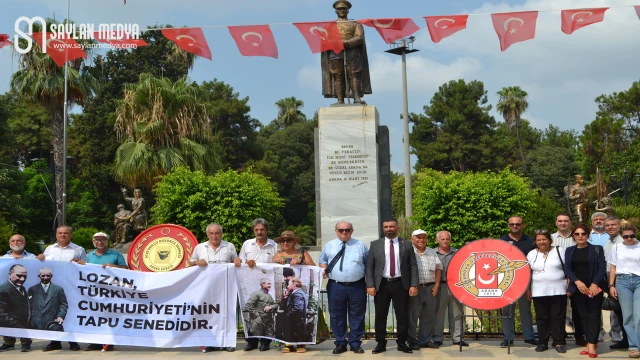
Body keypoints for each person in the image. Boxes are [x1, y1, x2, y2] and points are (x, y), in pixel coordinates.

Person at [365, 217, 418, 354]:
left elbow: (413, 265)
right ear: (383, 228)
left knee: (402, 316)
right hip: (381, 284)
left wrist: (414, 285)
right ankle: (381, 343)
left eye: (392, 226)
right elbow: (370, 266)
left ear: (397, 227)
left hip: (401, 284)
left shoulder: (406, 244)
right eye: (386, 227)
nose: (389, 229)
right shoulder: (375, 244)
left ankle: (401, 342)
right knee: (380, 316)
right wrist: (370, 285)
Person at [318, 221, 368, 354]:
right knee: (336, 315)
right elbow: (322, 260)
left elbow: (368, 265)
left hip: (357, 285)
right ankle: (340, 343)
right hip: (336, 285)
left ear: (352, 230)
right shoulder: (330, 246)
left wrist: (369, 284)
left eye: (347, 230)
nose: (344, 232)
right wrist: (323, 269)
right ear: (336, 231)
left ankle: (355, 343)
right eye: (341, 230)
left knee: (357, 315)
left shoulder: (360, 246)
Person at [36, 225, 85, 351]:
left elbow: (86, 268)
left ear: (71, 234)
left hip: (71, 288)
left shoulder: (79, 250)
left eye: (66, 233)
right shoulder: (49, 249)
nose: (63, 235)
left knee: (71, 313)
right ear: (56, 235)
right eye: (60, 233)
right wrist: (39, 258)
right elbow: (42, 264)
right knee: (53, 312)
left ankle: (73, 341)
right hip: (53, 288)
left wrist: (80, 263)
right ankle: (55, 341)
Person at [77, 232, 127, 351]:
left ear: (107, 241)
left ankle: (108, 342)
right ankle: (95, 342)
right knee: (94, 317)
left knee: (109, 317)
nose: (99, 242)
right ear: (93, 242)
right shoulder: (89, 256)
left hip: (110, 293)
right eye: (97, 240)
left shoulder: (116, 254)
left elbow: (126, 269)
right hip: (92, 293)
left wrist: (113, 266)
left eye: (102, 240)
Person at [234, 218, 277, 352]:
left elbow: (279, 261)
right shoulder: (247, 244)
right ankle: (251, 342)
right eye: (257, 230)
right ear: (253, 230)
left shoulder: (274, 245)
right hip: (250, 285)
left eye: (262, 229)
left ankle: (265, 342)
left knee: (266, 313)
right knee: (251, 314)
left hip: (267, 285)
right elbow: (240, 260)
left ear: (267, 230)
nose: (259, 232)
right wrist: (241, 260)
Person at [565, 223, 606, 358]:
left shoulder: (596, 249)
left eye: (583, 233)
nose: (580, 236)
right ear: (573, 236)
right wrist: (577, 282)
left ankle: (592, 345)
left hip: (594, 288)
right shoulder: (570, 250)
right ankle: (589, 342)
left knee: (593, 316)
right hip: (579, 289)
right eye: (577, 234)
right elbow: (567, 269)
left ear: (588, 235)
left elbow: (601, 268)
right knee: (583, 316)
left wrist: (594, 284)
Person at [320, 0, 372, 104]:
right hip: (335, 53)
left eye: (344, 8)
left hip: (352, 52)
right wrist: (338, 43)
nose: (342, 10)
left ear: (348, 10)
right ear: (335, 11)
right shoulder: (329, 27)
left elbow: (359, 37)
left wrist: (347, 42)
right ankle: (340, 100)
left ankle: (356, 98)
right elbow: (326, 39)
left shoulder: (355, 24)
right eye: (339, 9)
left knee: (354, 74)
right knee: (338, 76)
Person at [499, 216, 537, 347]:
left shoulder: (531, 241)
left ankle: (529, 336)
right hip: (506, 282)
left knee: (525, 310)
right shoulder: (501, 241)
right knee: (507, 311)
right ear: (508, 225)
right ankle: (508, 337)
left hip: (525, 282)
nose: (515, 226)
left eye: (517, 224)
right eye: (512, 224)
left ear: (523, 225)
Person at [527, 230, 567, 353]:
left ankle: (559, 342)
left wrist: (569, 285)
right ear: (535, 242)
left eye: (544, 239)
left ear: (550, 240)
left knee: (558, 317)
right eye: (539, 240)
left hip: (558, 290)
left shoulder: (560, 251)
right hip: (538, 291)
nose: (542, 242)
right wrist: (528, 289)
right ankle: (542, 342)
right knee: (542, 318)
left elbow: (568, 268)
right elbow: (527, 273)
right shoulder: (531, 254)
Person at [609, 220, 640, 358]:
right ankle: (633, 346)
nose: (629, 239)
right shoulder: (616, 247)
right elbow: (613, 267)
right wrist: (611, 285)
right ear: (621, 235)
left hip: (639, 280)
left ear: (635, 234)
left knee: (638, 316)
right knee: (627, 316)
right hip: (622, 281)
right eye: (626, 236)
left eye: (631, 236)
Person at [407, 229, 442, 350]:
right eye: (418, 237)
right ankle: (411, 340)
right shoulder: (408, 252)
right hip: (415, 288)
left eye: (424, 237)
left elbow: (438, 268)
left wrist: (437, 284)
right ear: (412, 239)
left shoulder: (432, 252)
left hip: (430, 288)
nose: (421, 240)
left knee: (428, 316)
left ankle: (424, 340)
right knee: (412, 316)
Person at [0, 235, 36, 352]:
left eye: (19, 240)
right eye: (13, 240)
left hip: (23, 295)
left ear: (24, 243)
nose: (16, 242)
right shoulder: (4, 258)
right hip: (7, 294)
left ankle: (26, 342)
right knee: (6, 313)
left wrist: (42, 258)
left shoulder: (32, 257)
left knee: (25, 312)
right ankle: (8, 342)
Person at [551, 212, 583, 344]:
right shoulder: (551, 238)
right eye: (560, 221)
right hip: (557, 277)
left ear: (570, 222)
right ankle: (559, 336)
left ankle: (580, 336)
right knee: (558, 309)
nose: (563, 223)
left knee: (577, 308)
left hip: (575, 277)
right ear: (556, 222)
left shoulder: (577, 236)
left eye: (565, 221)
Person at [433, 230, 467, 347]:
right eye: (442, 239)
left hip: (455, 287)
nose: (445, 241)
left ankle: (458, 338)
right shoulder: (432, 253)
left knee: (457, 312)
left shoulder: (457, 253)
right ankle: (437, 337)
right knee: (438, 313)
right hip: (439, 286)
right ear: (437, 240)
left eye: (447, 239)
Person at [27, 268, 68, 345]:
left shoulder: (58, 289)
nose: (45, 278)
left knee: (57, 329)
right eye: (43, 276)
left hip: (52, 320)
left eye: (48, 276)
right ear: (39, 276)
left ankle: (61, 344)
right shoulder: (32, 289)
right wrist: (29, 319)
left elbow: (64, 304)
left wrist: (61, 316)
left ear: (51, 276)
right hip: (36, 321)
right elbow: (29, 305)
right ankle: (26, 345)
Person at [604, 216, 628, 349]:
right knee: (618, 311)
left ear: (619, 226)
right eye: (607, 225)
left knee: (626, 312)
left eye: (613, 225)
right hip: (611, 278)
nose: (610, 227)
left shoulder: (625, 241)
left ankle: (631, 340)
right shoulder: (609, 242)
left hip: (623, 278)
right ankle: (626, 339)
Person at [0, 264, 30, 352]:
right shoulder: (3, 290)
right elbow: (2, 314)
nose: (22, 279)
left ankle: (25, 342)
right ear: (10, 274)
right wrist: (22, 329)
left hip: (23, 322)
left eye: (24, 276)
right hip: (12, 323)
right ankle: (9, 342)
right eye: (19, 276)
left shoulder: (22, 288)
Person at [244, 278, 276, 346]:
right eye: (268, 284)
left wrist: (271, 307)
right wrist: (257, 316)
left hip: (267, 319)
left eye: (270, 284)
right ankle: (252, 345)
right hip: (258, 318)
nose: (270, 286)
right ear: (262, 284)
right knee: (254, 332)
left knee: (268, 334)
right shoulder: (256, 294)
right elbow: (248, 305)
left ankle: (264, 345)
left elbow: (275, 304)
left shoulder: (269, 296)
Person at [282, 277, 309, 352]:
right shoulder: (295, 293)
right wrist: (286, 297)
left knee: (297, 332)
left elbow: (298, 308)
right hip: (296, 319)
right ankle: (292, 345)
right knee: (293, 332)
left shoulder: (297, 294)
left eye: (289, 284)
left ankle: (299, 346)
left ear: (294, 284)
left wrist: (289, 314)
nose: (287, 286)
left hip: (296, 319)